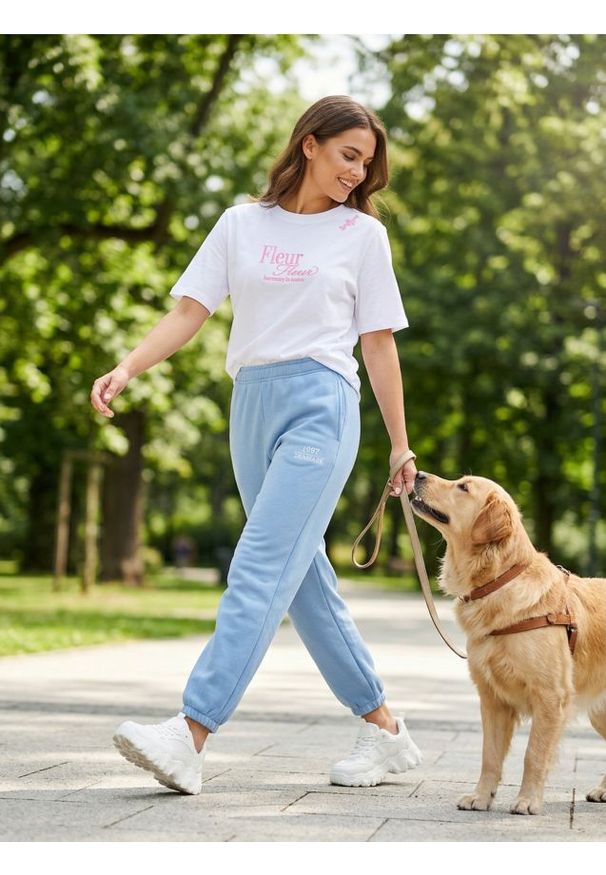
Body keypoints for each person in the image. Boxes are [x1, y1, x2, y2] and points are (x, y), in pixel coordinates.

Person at [90, 94, 422, 796]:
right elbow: (190, 310)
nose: (358, 174)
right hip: (252, 404)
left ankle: (190, 731)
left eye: (367, 163)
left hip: (323, 407)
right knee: (301, 583)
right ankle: (387, 730)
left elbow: (379, 343)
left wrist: (399, 444)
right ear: (310, 144)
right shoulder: (241, 224)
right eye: (347, 155)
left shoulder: (362, 237)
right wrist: (128, 365)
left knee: (260, 563)